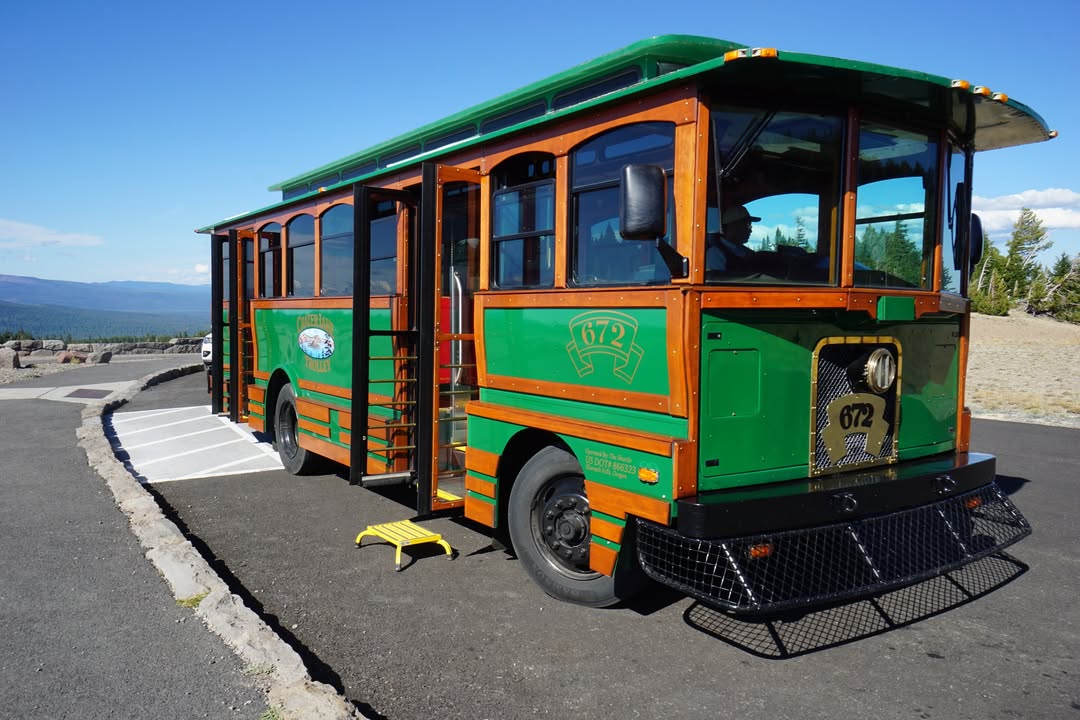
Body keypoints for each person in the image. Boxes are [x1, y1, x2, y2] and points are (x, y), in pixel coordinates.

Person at [706, 205, 760, 271]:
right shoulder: (714, 254)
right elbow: (717, 279)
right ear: (732, 226)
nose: (750, 230)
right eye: (747, 225)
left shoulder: (746, 252)